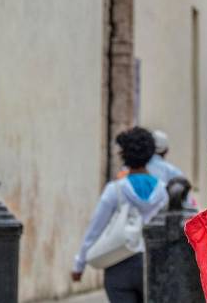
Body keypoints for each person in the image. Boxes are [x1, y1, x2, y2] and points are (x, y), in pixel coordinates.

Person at [72, 127, 168, 303]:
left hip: (118, 262)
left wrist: (79, 264)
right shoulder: (163, 191)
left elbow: (95, 228)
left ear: (123, 154)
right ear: (150, 154)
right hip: (152, 264)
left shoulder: (114, 190)